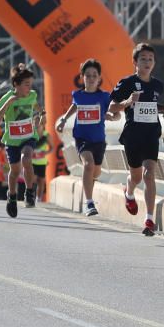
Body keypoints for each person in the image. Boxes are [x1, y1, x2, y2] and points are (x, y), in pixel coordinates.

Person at [108, 43, 164, 236]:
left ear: (154, 63)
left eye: (150, 59)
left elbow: (153, 105)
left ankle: (149, 219)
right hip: (133, 135)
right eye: (143, 59)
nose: (147, 62)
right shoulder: (126, 83)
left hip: (152, 133)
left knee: (149, 174)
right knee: (136, 176)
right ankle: (128, 191)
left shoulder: (157, 85)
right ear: (135, 62)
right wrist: (127, 102)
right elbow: (112, 107)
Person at [56, 59, 116, 217]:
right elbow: (75, 106)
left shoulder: (104, 96)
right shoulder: (78, 95)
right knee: (88, 165)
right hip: (82, 138)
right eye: (87, 75)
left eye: (94, 75)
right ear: (82, 77)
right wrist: (63, 120)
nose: (90, 78)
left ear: (99, 78)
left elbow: (113, 113)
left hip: (98, 139)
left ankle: (89, 186)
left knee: (95, 172)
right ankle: (89, 203)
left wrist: (112, 116)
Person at [0, 64, 45, 218]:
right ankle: (12, 196)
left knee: (27, 158)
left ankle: (30, 191)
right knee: (15, 170)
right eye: (26, 84)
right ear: (16, 84)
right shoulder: (7, 97)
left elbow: (37, 106)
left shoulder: (32, 95)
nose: (29, 88)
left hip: (29, 136)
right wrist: (8, 103)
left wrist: (42, 115)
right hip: (12, 140)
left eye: (30, 84)